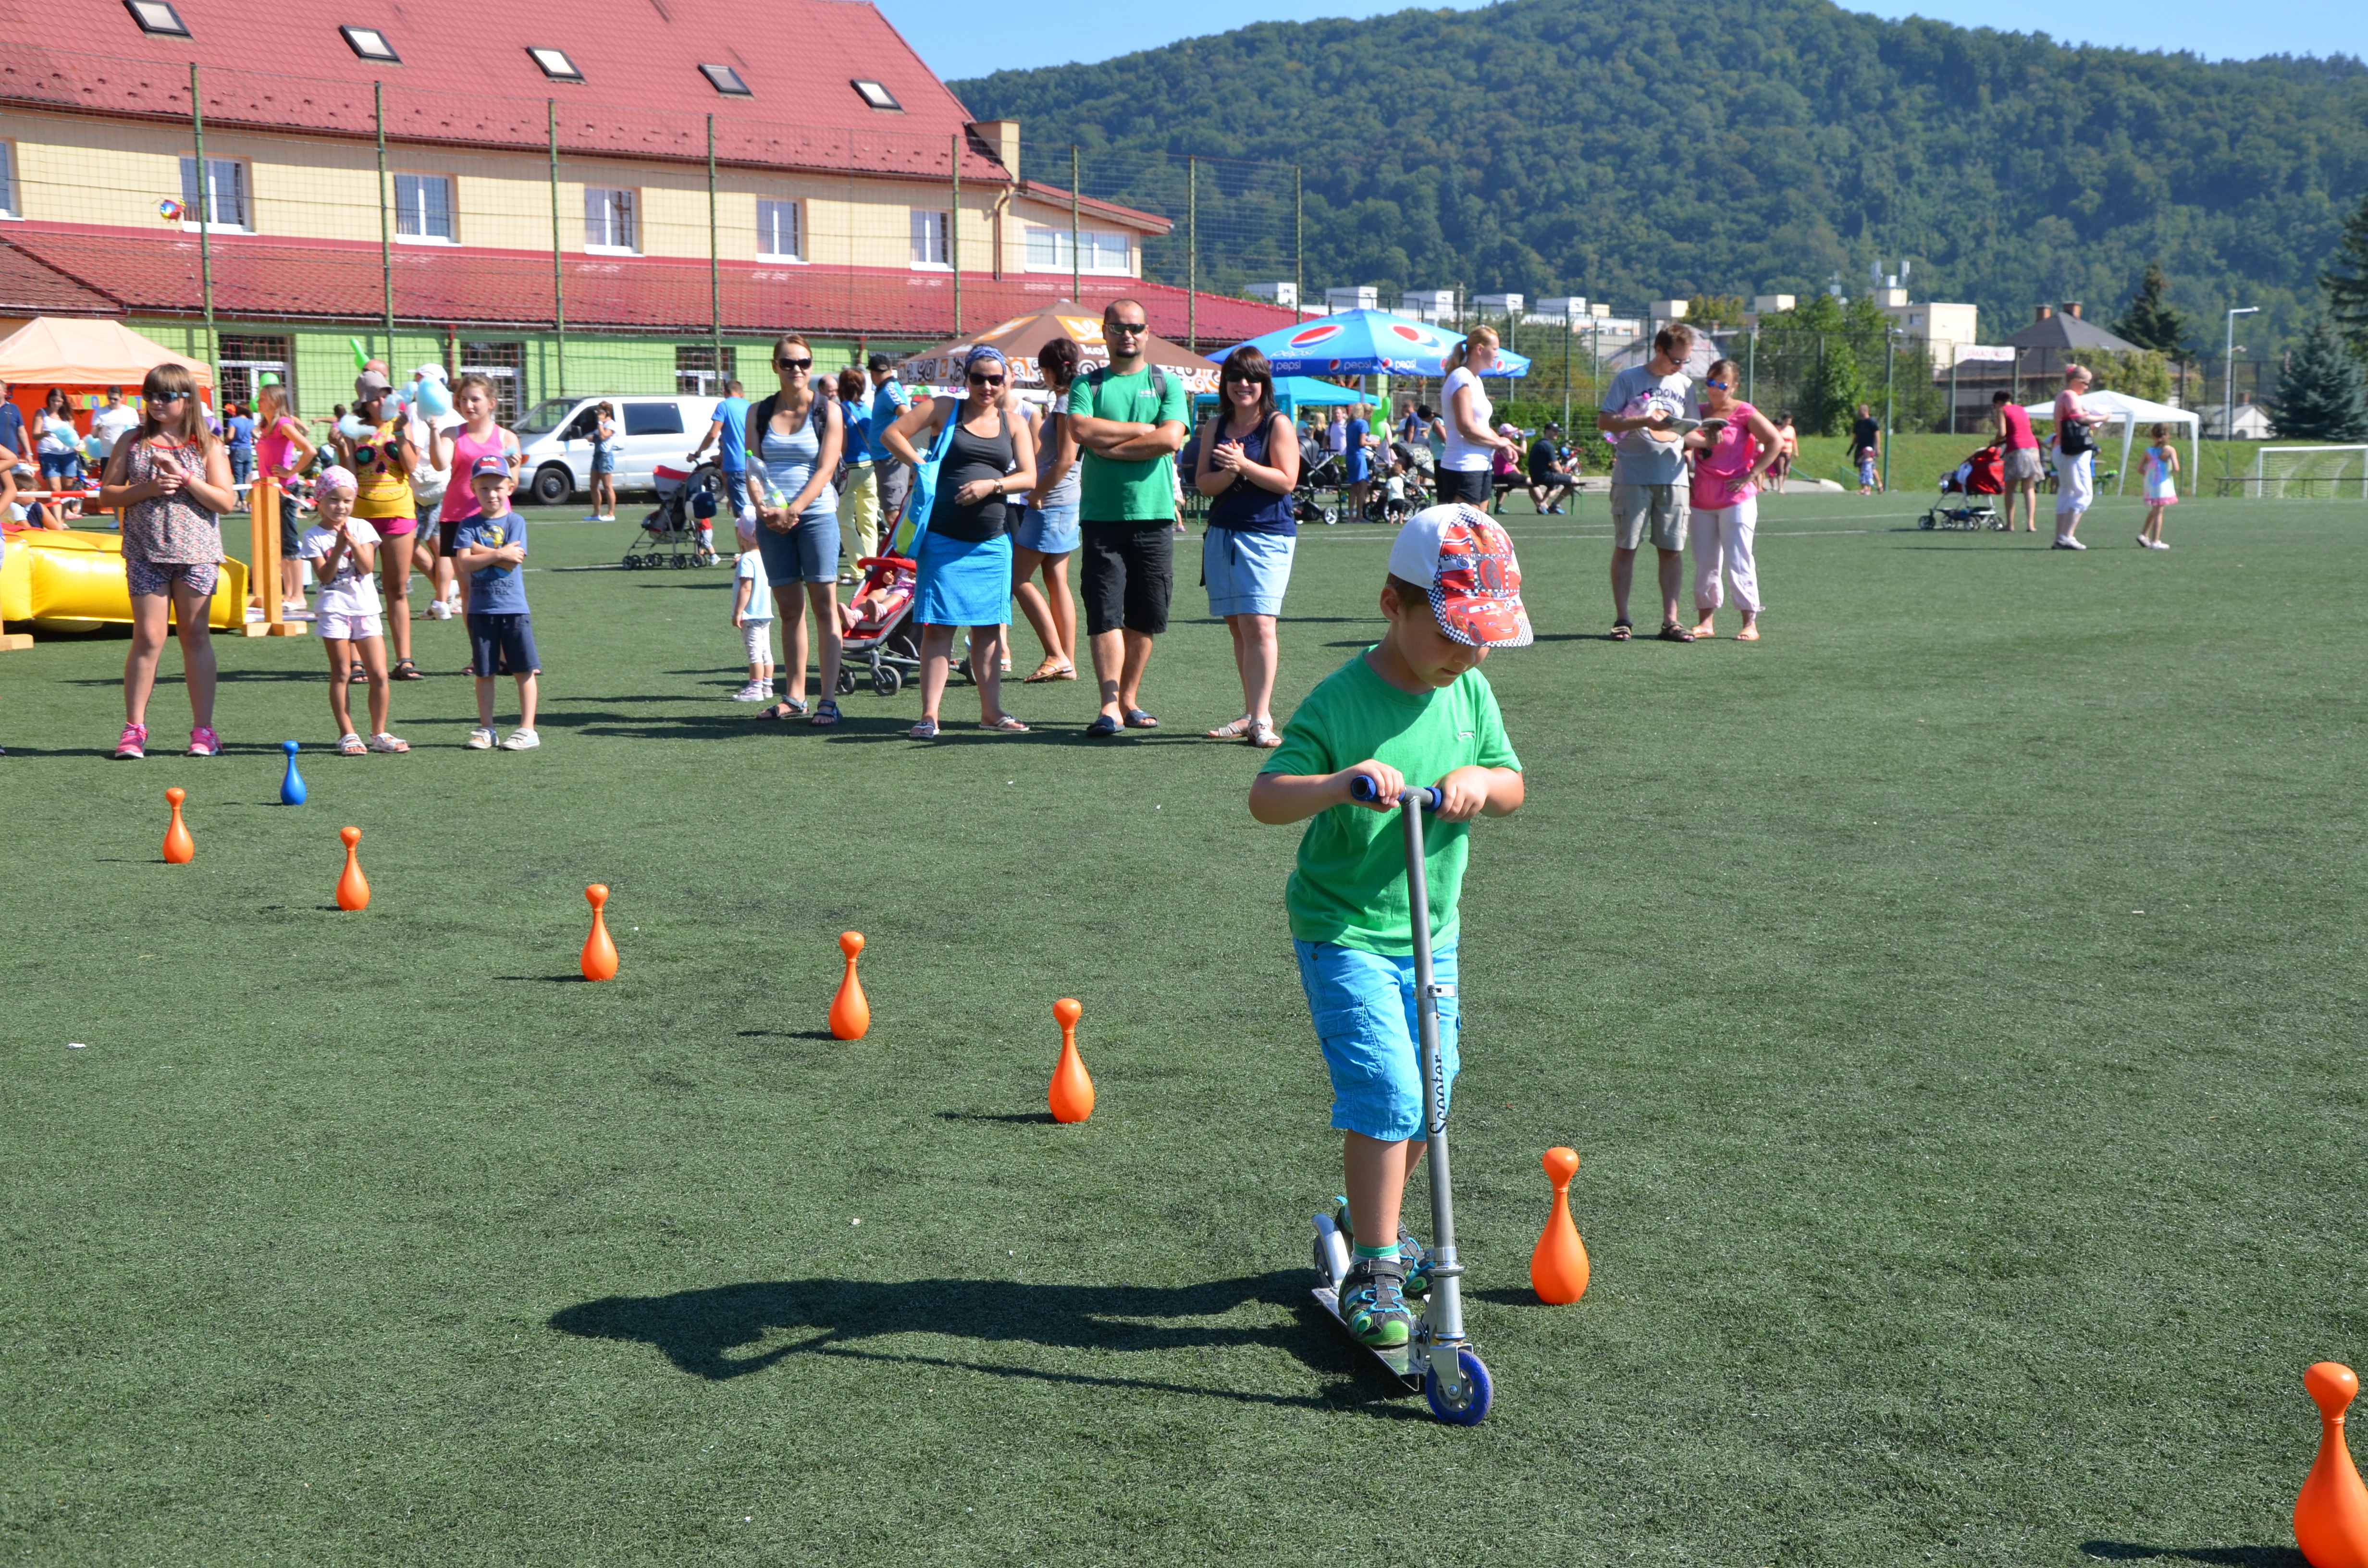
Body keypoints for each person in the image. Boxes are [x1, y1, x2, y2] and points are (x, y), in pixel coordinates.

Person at [1246, 503, 1529, 1349]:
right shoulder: (1341, 699)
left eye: (1481, 638)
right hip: (1345, 932)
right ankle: (1374, 1265)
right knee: (1390, 1093)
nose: (1468, 654)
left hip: (1432, 936)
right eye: (1450, 634)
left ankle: (1369, 1215)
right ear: (1390, 606)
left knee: (1432, 1092)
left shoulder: (1469, 690)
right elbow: (1267, 796)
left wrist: (1479, 780)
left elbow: (1512, 784)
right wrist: (1339, 783)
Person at [879, 345, 1036, 737]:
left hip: (991, 543)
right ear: (965, 379)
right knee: (937, 628)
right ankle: (929, 716)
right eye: (978, 378)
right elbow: (891, 434)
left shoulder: (1015, 423)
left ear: (1006, 382)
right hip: (942, 538)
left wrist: (991, 485)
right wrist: (922, 466)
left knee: (989, 628)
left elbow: (1029, 476)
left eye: (995, 379)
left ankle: (992, 712)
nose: (987, 386)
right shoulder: (946, 408)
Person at [1065, 298, 1191, 736]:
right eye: (1118, 327)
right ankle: (1109, 706)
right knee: (1104, 611)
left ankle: (1129, 699)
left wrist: (1110, 446)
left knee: (1146, 614)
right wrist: (1142, 431)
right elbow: (1081, 430)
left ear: (1147, 332)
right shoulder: (1087, 383)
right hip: (1102, 517)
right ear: (1105, 332)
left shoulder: (1166, 383)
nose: (1127, 335)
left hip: (1154, 516)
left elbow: (1170, 439)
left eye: (1135, 327)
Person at [99, 364, 237, 759]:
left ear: (187, 399)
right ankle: (134, 730)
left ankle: (204, 731)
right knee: (147, 638)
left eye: (166, 396)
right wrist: (149, 488)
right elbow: (107, 495)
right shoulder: (132, 441)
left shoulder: (207, 445)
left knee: (195, 637)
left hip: (197, 555)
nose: (156, 403)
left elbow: (225, 501)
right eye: (150, 395)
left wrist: (186, 478)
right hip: (145, 553)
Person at [1194, 344, 1301, 748]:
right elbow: (1204, 484)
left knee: (1259, 624)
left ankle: (1261, 720)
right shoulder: (1215, 426)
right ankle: (1253, 712)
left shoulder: (1277, 424)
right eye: (1236, 377)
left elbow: (1287, 481)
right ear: (1225, 383)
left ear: (1264, 384)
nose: (1243, 384)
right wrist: (1229, 472)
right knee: (1239, 626)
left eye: (1252, 377)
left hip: (1267, 535)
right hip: (1223, 535)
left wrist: (1244, 465)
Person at [744, 332, 846, 725]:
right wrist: (763, 508)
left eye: (804, 362)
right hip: (772, 520)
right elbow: (753, 467)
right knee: (789, 610)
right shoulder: (758, 412)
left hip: (816, 515)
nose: (797, 369)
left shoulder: (828, 411)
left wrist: (794, 510)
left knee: (824, 607)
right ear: (775, 367)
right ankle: (795, 697)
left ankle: (828, 700)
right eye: (788, 363)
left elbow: (825, 469)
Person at [1599, 321, 1700, 641]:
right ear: (1659, 350)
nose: (1680, 366)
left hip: (1674, 478)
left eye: (1685, 360)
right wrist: (1643, 420)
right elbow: (1605, 420)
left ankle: (1671, 622)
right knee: (1626, 547)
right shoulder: (1628, 378)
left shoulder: (1686, 385)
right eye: (1676, 359)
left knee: (1672, 550)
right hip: (1632, 476)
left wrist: (1709, 438)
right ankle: (1623, 620)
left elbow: (1692, 432)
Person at [299, 465, 408, 755]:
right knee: (342, 673)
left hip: (365, 609)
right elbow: (325, 577)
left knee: (379, 674)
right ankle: (347, 734)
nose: (341, 506)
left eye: (347, 500)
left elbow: (368, 567)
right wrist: (337, 548)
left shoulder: (363, 528)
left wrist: (352, 543)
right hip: (334, 610)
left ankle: (379, 732)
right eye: (333, 500)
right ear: (320, 500)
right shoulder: (313, 536)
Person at [1685, 358, 1781, 642]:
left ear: (1734, 386)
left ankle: (1750, 622)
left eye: (1722, 384)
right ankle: (1705, 622)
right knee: (1705, 562)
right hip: (1701, 498)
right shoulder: (1697, 411)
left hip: (1736, 498)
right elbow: (1682, 442)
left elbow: (1775, 441)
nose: (1715, 389)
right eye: (1710, 383)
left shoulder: (1744, 412)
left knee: (1740, 559)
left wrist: (1752, 474)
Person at [336, 371, 422, 680]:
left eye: (386, 394)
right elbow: (348, 476)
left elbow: (411, 467)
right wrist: (342, 445)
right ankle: (357, 662)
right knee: (357, 587)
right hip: (362, 516)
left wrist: (400, 433)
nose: (383, 401)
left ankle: (404, 661)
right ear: (364, 403)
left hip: (399, 512)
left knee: (396, 589)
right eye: (376, 397)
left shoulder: (401, 422)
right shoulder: (353, 427)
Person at [451, 456, 540, 751]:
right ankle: (487, 728)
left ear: (510, 488)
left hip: (514, 609)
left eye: (498, 487)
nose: (492, 494)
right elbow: (464, 564)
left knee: (523, 670)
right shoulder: (468, 524)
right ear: (473, 489)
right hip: (480, 610)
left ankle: (528, 729)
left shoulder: (516, 521)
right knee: (484, 672)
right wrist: (498, 553)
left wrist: (479, 552)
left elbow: (512, 562)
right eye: (484, 488)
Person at [1014, 335, 1084, 684]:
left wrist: (1037, 494)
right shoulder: (1076, 397)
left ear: (1050, 370)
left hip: (1054, 501)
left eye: (1042, 370)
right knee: (1056, 581)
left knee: (1017, 578)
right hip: (1066, 499)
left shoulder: (1066, 402)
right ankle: (1066, 661)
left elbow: (1066, 458)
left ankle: (1056, 655)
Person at [429, 373, 522, 627]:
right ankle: (480, 649)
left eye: (475, 400)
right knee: (469, 590)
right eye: (463, 400)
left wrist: (509, 466)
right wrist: (434, 431)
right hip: (458, 519)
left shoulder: (507, 438)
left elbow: (512, 485)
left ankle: (502, 646)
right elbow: (440, 464)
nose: (468, 405)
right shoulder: (452, 433)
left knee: (498, 588)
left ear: (491, 403)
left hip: (496, 522)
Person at [253, 381, 319, 619]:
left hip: (284, 489)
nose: (258, 401)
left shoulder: (284, 424)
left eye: (262, 398)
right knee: (279, 542)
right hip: (269, 489)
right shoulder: (266, 426)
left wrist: (291, 472)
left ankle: (298, 596)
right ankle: (289, 594)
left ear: (274, 401)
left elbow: (310, 450)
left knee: (289, 542)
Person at [401, 367, 460, 618]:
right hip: (444, 484)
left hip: (418, 485)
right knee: (439, 543)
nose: (414, 383)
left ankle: (442, 594)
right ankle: (443, 598)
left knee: (407, 542)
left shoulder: (415, 410)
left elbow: (412, 452)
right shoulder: (453, 414)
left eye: (419, 379)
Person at [1437, 328, 1515, 506]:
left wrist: (1504, 445)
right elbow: (1466, 427)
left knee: (1481, 523)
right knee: (1466, 524)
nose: (1497, 354)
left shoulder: (1475, 380)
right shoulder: (1461, 378)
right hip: (1463, 466)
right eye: (1495, 349)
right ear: (1480, 349)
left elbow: (1481, 426)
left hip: (1482, 464)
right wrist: (1498, 443)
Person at [2051, 364, 2108, 551]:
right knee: (2084, 493)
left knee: (2067, 493)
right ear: (2075, 381)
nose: (2087, 387)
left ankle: (2060, 537)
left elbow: (2077, 419)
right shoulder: (2070, 395)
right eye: (2085, 383)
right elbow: (2079, 419)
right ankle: (2068, 536)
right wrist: (2103, 418)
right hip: (2073, 451)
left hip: (2061, 448)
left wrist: (2091, 418)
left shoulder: (2063, 396)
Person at [834, 367, 881, 578]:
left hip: (850, 470)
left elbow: (842, 445)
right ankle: (871, 567)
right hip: (869, 468)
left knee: (845, 521)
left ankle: (858, 569)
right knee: (869, 521)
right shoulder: (867, 409)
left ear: (841, 387)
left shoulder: (840, 410)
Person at [689, 378, 753, 526]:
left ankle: (751, 542)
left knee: (744, 517)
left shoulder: (724, 406)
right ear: (742, 394)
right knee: (752, 511)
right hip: (751, 464)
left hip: (736, 466)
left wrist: (699, 452)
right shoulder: (749, 406)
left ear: (724, 392)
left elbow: (713, 434)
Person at [867, 355, 914, 536]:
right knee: (893, 513)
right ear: (890, 369)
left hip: (890, 460)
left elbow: (907, 416)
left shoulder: (889, 389)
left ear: (872, 374)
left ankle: (904, 553)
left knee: (893, 514)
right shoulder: (886, 389)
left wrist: (898, 445)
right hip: (886, 459)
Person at [729, 536, 777, 699]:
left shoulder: (747, 559)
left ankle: (755, 688)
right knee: (766, 652)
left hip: (751, 614)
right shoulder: (766, 556)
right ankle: (767, 687)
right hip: (764, 613)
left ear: (743, 538)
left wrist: (738, 612)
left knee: (755, 654)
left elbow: (746, 588)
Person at [1992, 389, 2043, 533]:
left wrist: (1994, 442)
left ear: (1998, 402)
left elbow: (2002, 432)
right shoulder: (2022, 410)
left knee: (2010, 488)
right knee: (2029, 487)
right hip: (2032, 447)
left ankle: (2010, 524)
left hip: (2016, 449)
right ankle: (2031, 524)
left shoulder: (2002, 410)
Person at [2139, 422, 2179, 550]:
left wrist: (2150, 475)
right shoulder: (2170, 450)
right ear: (2168, 436)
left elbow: (2140, 468)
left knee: (2155, 509)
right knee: (2159, 512)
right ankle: (2156, 541)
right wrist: (2167, 473)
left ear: (2153, 436)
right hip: (2163, 484)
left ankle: (2144, 534)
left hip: (2151, 484)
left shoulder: (2148, 451)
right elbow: (2176, 468)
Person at [35, 389, 82, 489]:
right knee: (55, 489)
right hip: (48, 454)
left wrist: (76, 445)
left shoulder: (68, 415)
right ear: (49, 400)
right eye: (53, 400)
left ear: (63, 402)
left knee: (68, 487)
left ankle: (65, 501)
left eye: (59, 401)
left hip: (68, 455)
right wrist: (44, 434)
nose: (56, 404)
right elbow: (35, 435)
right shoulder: (41, 413)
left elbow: (74, 434)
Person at [1525, 423, 1577, 514]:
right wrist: (1563, 475)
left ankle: (1544, 504)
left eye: (1558, 432)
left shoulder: (1537, 444)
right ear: (1547, 431)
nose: (1557, 433)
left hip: (1535, 476)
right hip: (1545, 476)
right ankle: (1555, 504)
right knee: (1574, 481)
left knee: (1555, 485)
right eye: (1554, 431)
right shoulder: (1548, 446)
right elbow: (1556, 466)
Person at [587, 401, 618, 522]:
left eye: (600, 411)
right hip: (597, 455)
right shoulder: (601, 424)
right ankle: (596, 513)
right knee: (593, 486)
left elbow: (604, 436)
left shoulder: (611, 424)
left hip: (605, 456)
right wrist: (591, 438)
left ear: (607, 412)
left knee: (607, 486)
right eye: (597, 411)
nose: (598, 413)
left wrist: (600, 422)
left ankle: (611, 514)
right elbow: (599, 437)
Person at [91, 387, 140, 462]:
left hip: (126, 454)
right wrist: (98, 429)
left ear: (121, 398)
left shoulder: (131, 412)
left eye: (115, 399)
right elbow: (94, 435)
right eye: (110, 398)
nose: (112, 401)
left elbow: (138, 432)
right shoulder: (100, 412)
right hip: (107, 455)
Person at [1344, 402, 1372, 520]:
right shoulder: (1362, 423)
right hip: (1359, 457)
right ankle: (1359, 516)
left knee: (1354, 488)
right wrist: (1373, 443)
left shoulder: (1350, 424)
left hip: (1350, 456)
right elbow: (1362, 442)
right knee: (1363, 487)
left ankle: (1351, 516)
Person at [225, 401, 256, 494]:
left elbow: (230, 436)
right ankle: (249, 499)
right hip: (248, 450)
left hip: (237, 450)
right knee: (248, 477)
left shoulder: (233, 421)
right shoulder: (252, 422)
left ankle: (243, 500)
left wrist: (225, 441)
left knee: (239, 478)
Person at [1851, 404, 1882, 495]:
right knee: (1861, 468)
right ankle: (1865, 488)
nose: (1858, 412)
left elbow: (1877, 434)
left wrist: (1878, 448)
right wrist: (1852, 446)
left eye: (1860, 410)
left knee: (1870, 468)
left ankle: (1879, 484)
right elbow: (1856, 436)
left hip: (1869, 449)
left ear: (1865, 411)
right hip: (1860, 448)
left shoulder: (1871, 422)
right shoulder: (1859, 423)